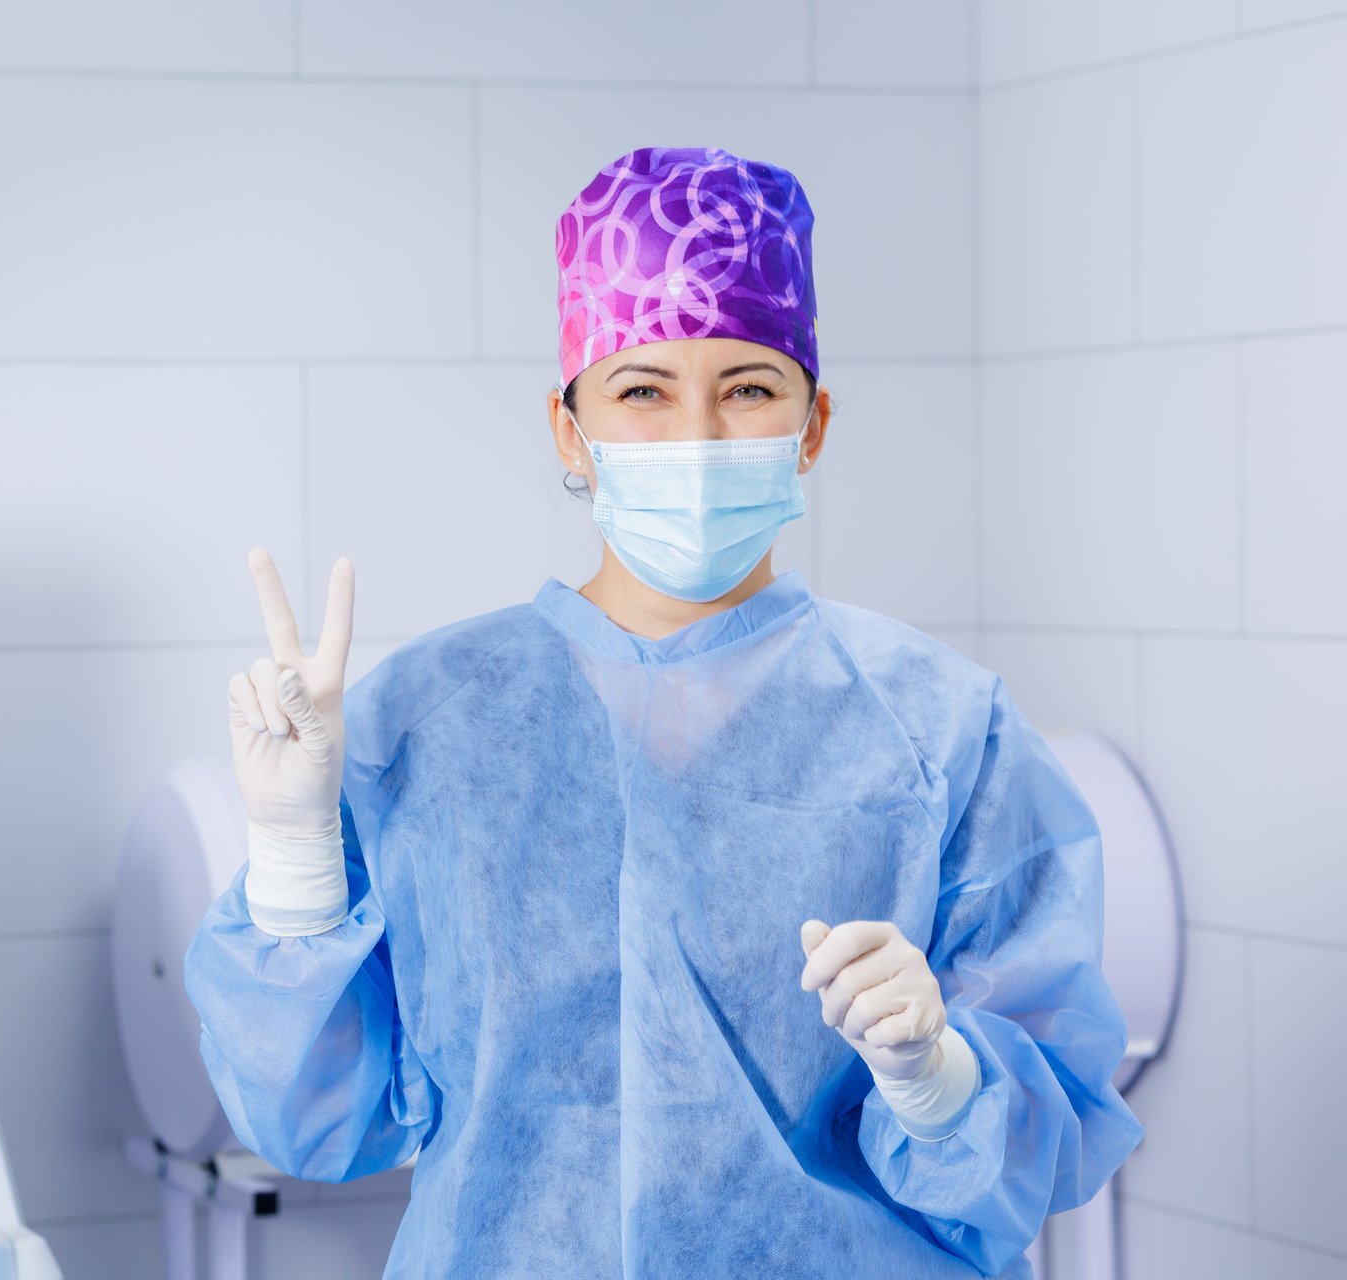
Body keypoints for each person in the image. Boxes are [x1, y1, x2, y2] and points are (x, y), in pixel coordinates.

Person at [185, 146, 1142, 1278]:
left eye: (747, 387)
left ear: (814, 423)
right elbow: (314, 1123)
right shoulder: (425, 722)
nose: (696, 433)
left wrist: (939, 1076)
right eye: (641, 390)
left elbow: (1033, 1144)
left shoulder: (939, 728)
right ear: (567, 429)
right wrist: (296, 852)